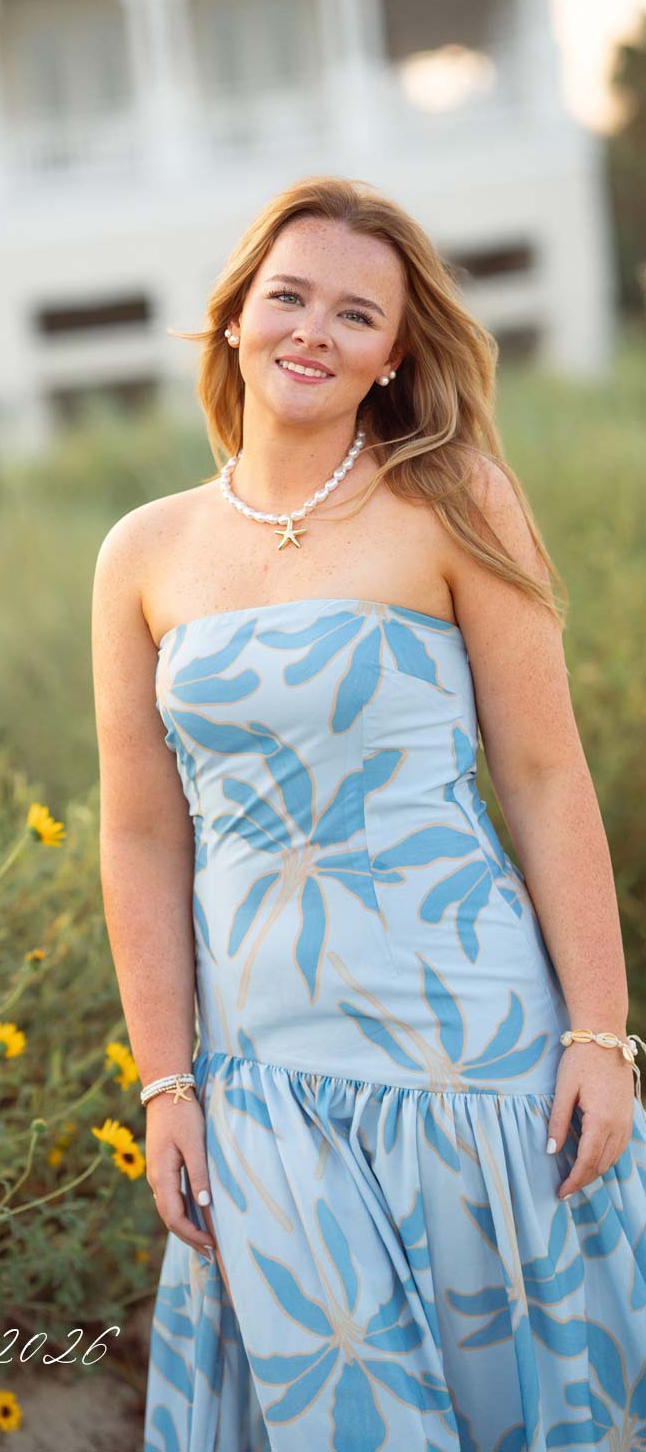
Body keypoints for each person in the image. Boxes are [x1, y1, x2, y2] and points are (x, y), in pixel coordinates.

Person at [90, 177, 643, 1449]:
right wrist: (168, 1083)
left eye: (355, 314)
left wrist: (600, 1038)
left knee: (521, 1399)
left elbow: (548, 776)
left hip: (475, 1054)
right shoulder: (144, 552)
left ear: (395, 354)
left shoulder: (457, 501)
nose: (311, 332)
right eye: (287, 297)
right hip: (266, 1078)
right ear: (234, 319)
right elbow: (141, 834)